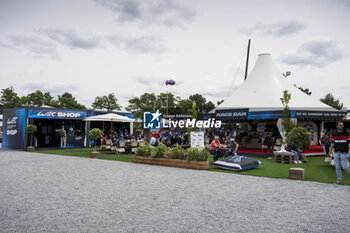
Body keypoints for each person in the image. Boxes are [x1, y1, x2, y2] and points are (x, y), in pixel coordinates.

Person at [328, 120, 350, 185]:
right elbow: (332, 142)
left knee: (344, 167)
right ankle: (339, 180)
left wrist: (349, 151)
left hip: (344, 152)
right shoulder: (334, 133)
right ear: (337, 126)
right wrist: (330, 150)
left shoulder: (346, 133)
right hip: (336, 152)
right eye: (340, 125)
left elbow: (349, 143)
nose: (341, 126)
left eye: (342, 125)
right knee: (337, 167)